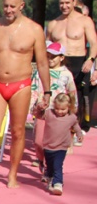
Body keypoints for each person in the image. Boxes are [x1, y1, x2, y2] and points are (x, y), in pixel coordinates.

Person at [0, 0, 51, 191]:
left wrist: (47, 91)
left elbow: (42, 63)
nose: (8, 10)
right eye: (5, 5)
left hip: (21, 85)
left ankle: (12, 174)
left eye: (12, 7)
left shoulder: (34, 30)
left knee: (17, 132)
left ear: (21, 6)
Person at [46, 0, 97, 133]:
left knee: (80, 98)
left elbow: (94, 43)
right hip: (61, 63)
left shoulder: (85, 21)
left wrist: (91, 60)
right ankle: (59, 126)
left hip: (79, 62)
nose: (64, 6)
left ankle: (81, 127)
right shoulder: (53, 24)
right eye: (61, 3)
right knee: (59, 96)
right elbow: (47, 47)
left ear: (74, 2)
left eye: (67, 3)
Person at [32, 41, 75, 174]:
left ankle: (49, 169)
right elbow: (33, 89)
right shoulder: (39, 72)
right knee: (39, 141)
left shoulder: (66, 74)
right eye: (48, 56)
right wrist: (32, 107)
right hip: (42, 112)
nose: (50, 59)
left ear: (61, 57)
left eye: (53, 57)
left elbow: (72, 93)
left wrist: (72, 111)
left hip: (58, 115)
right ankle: (41, 159)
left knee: (52, 144)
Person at [38, 93, 84, 195]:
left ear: (69, 107)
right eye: (57, 109)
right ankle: (49, 175)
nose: (59, 111)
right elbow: (38, 115)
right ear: (54, 106)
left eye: (63, 109)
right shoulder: (49, 113)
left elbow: (76, 126)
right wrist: (40, 108)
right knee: (50, 164)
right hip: (48, 145)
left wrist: (79, 134)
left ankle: (58, 183)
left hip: (62, 147)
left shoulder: (71, 117)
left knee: (57, 165)